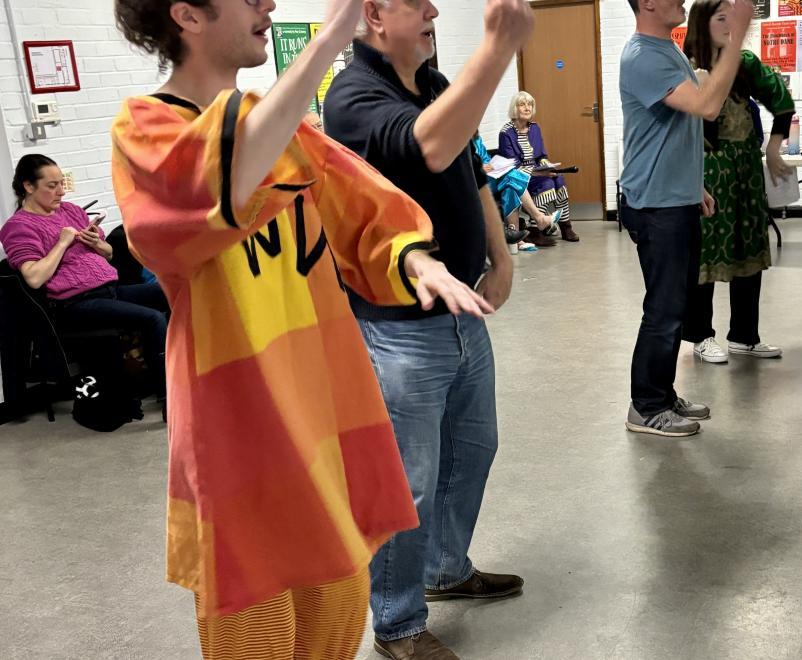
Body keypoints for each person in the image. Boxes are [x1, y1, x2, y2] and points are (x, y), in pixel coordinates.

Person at [111, 0, 492, 658]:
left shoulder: (278, 127)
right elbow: (213, 184)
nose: (268, 4)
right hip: (241, 444)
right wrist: (332, 37)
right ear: (187, 15)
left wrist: (413, 257)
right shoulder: (145, 131)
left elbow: (361, 207)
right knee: (257, 636)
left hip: (323, 424)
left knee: (336, 622)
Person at [323, 1, 531, 657]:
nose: (435, 10)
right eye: (418, 2)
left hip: (462, 312)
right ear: (375, 13)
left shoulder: (436, 84)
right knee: (407, 480)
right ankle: (397, 622)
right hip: (398, 329)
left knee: (473, 449)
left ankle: (445, 568)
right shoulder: (351, 97)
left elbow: (470, 172)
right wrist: (498, 48)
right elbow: (431, 146)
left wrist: (500, 258)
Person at [619, 0, 753, 437]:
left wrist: (694, 186)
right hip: (655, 205)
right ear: (648, 3)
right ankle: (646, 407)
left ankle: (661, 393)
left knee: (676, 307)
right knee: (664, 310)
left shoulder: (666, 49)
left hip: (674, 199)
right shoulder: (643, 56)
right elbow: (707, 106)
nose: (680, 0)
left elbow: (676, 129)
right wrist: (735, 38)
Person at [0, 154, 169, 406]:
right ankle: (168, 394)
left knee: (174, 291)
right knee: (152, 318)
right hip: (74, 304)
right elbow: (34, 277)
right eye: (52, 185)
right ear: (28, 186)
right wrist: (62, 243)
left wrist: (97, 244)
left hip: (109, 290)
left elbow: (109, 254)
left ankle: (182, 369)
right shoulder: (18, 227)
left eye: (62, 183)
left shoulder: (71, 211)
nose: (61, 191)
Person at [682, 0, 794, 363]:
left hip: (746, 171)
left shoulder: (745, 64)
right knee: (705, 253)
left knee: (749, 249)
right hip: (709, 173)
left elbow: (781, 99)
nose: (730, 24)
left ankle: (745, 336)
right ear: (703, 23)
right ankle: (700, 335)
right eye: (721, 18)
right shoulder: (687, 67)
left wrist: (773, 148)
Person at [498, 91, 580, 243]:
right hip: (519, 176)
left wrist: (546, 166)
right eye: (522, 105)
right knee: (546, 183)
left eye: (530, 104)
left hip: (537, 171)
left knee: (559, 179)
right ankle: (535, 230)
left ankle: (566, 226)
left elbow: (541, 156)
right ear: (515, 108)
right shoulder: (506, 132)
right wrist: (538, 173)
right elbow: (512, 167)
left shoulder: (535, 128)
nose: (527, 108)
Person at [472, 131, 550, 246]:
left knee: (510, 188)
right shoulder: (459, 144)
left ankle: (517, 239)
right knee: (511, 175)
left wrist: (491, 165)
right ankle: (539, 218)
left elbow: (486, 159)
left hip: (489, 179)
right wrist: (479, 167)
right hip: (475, 183)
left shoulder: (477, 140)